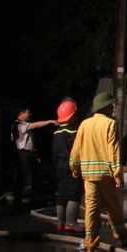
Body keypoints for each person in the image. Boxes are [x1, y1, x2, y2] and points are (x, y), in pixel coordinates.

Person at [69, 92, 127, 252]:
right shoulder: (110, 124)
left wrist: (74, 169)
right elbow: (114, 151)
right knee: (113, 207)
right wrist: (118, 176)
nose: (113, 108)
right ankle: (122, 236)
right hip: (106, 176)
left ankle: (90, 245)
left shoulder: (84, 124)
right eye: (111, 105)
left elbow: (76, 150)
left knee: (91, 210)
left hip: (89, 176)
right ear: (106, 107)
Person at [12, 106, 58, 209]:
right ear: (21, 113)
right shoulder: (19, 125)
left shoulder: (21, 125)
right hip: (23, 153)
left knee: (33, 174)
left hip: (29, 153)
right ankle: (18, 200)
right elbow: (35, 125)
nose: (30, 115)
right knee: (21, 176)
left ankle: (31, 196)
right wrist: (49, 121)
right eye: (28, 112)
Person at [52, 98, 82, 233]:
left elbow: (54, 153)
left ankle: (61, 222)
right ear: (72, 116)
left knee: (62, 194)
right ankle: (71, 222)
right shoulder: (74, 132)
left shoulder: (56, 133)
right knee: (74, 194)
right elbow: (78, 151)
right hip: (72, 167)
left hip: (59, 167)